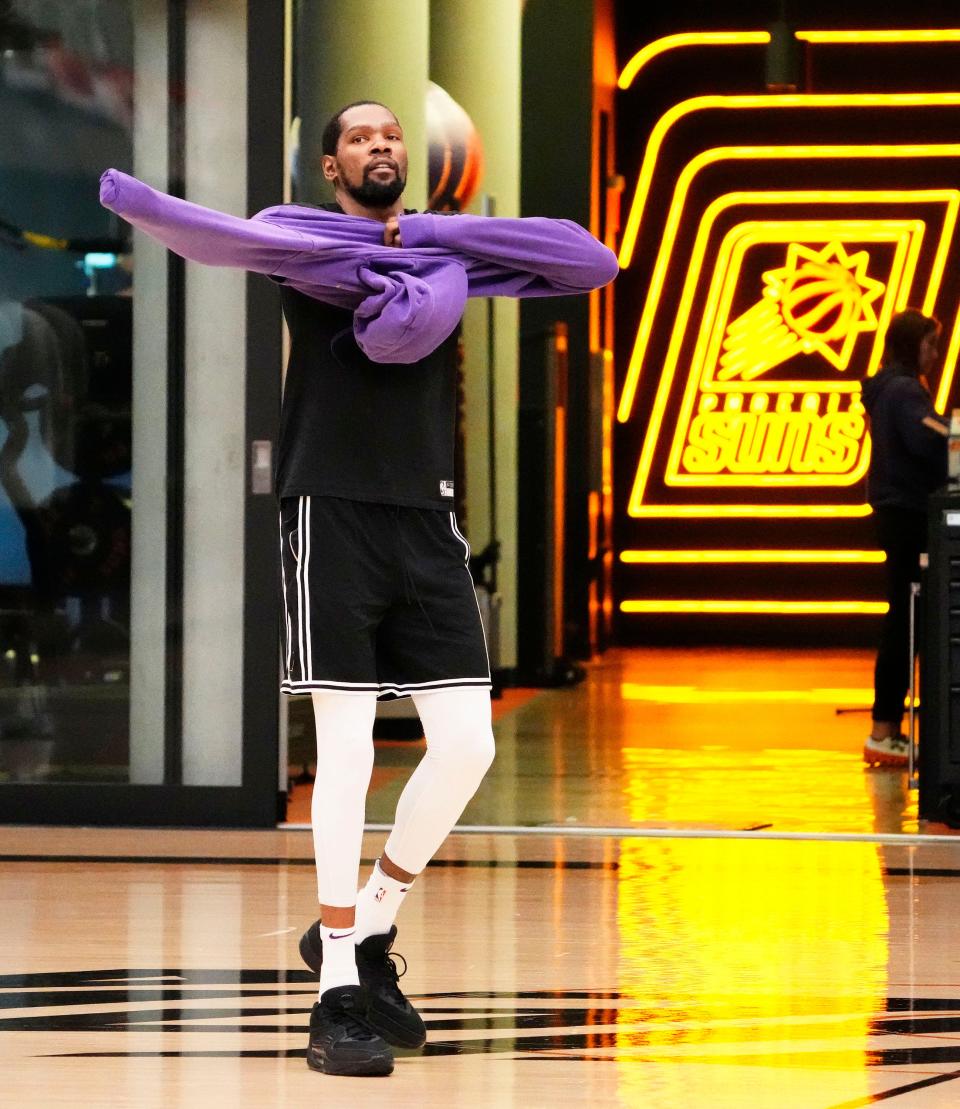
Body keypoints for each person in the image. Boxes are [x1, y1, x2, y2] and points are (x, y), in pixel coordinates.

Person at [99, 100, 618, 1077]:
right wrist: (132, 198)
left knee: (469, 740)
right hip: (327, 509)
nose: (381, 144)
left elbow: (588, 260)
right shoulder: (300, 236)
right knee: (344, 754)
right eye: (362, 137)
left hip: (426, 515)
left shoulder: (448, 256)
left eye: (392, 136)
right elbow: (214, 239)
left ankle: (372, 918)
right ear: (331, 163)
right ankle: (338, 985)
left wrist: (415, 237)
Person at [861, 309, 947, 769]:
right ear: (912, 344)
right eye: (931, 345)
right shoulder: (905, 390)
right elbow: (930, 438)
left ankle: (887, 729)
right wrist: (954, 435)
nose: (935, 353)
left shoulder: (886, 389)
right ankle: (883, 728)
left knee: (903, 617)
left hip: (895, 511)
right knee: (907, 620)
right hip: (910, 514)